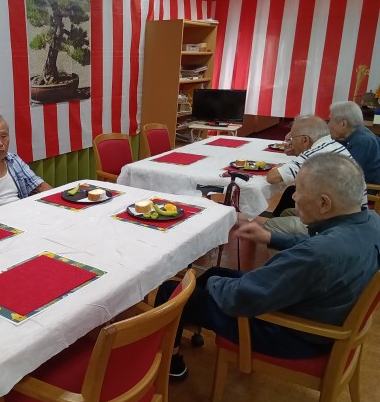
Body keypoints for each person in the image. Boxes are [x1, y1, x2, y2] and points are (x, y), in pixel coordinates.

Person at [162, 154, 380, 378]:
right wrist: (270, 237)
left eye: (299, 190)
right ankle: (187, 318)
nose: (293, 196)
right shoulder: (371, 223)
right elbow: (315, 244)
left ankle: (172, 365)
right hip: (324, 312)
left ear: (324, 203)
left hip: (291, 335)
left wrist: (209, 284)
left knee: (173, 291)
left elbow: (240, 297)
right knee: (213, 273)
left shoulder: (317, 255)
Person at [263, 115, 352, 234]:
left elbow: (272, 177)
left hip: (335, 227)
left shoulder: (314, 155)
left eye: (292, 137)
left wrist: (281, 166)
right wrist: (299, 153)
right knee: (286, 212)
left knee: (267, 226)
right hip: (350, 215)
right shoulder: (333, 145)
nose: (290, 141)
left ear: (305, 140)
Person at [327, 101, 380, 185]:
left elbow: (345, 174)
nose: (328, 125)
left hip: (366, 189)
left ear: (343, 124)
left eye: (330, 120)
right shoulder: (357, 133)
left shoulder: (363, 141)